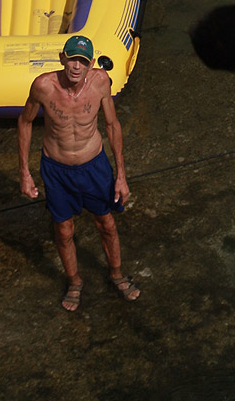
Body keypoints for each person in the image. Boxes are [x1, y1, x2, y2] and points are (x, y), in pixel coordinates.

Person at [17, 35, 141, 311]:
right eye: (72, 59)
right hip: (56, 168)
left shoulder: (100, 83)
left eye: (82, 61)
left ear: (91, 64)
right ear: (62, 58)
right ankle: (74, 281)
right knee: (63, 230)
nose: (76, 66)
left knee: (106, 223)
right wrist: (24, 172)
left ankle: (116, 274)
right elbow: (25, 123)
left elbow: (112, 125)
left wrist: (121, 175)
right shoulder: (43, 87)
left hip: (93, 166)